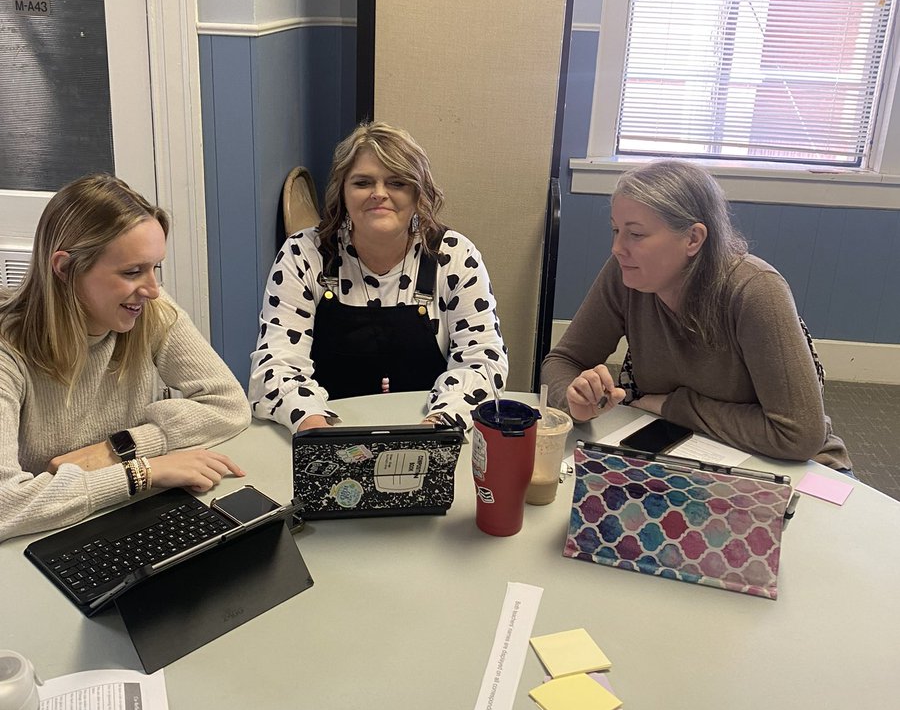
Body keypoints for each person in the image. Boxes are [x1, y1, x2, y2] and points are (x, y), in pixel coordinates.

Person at [541, 160, 851, 470]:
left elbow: (799, 435)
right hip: (681, 451)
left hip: (796, 468)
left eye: (635, 234)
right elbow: (562, 362)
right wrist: (575, 400)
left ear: (693, 239)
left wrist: (671, 406)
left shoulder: (756, 291)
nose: (617, 248)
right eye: (616, 230)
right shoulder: (624, 276)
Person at [0, 174, 251, 543]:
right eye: (132, 272)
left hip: (120, 516)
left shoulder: (148, 310)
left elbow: (230, 406)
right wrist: (142, 472)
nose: (152, 290)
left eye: (155, 268)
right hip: (40, 539)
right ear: (65, 268)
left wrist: (118, 451)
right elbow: (7, 505)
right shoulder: (9, 352)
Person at [249, 121, 508, 430]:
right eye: (362, 183)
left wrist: (434, 429)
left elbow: (484, 363)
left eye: (397, 183)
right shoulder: (304, 254)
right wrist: (317, 431)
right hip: (326, 433)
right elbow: (273, 367)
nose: (379, 194)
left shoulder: (453, 256)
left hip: (429, 432)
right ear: (342, 192)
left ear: (418, 193)